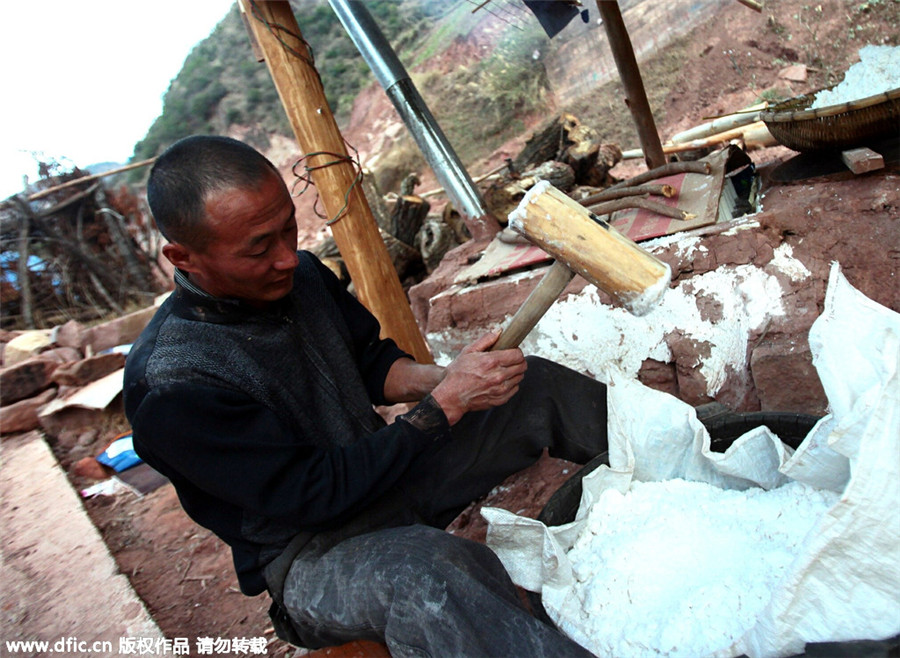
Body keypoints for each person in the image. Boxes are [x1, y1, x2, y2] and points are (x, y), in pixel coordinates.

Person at [124, 135, 609, 658]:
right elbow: (312, 494)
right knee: (430, 578)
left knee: (532, 386)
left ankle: (695, 470)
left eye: (289, 226)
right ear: (184, 257)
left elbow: (372, 363)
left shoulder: (302, 276)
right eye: (259, 248)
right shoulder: (172, 383)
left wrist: (447, 379)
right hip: (313, 551)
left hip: (385, 476)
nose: (287, 257)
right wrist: (444, 405)